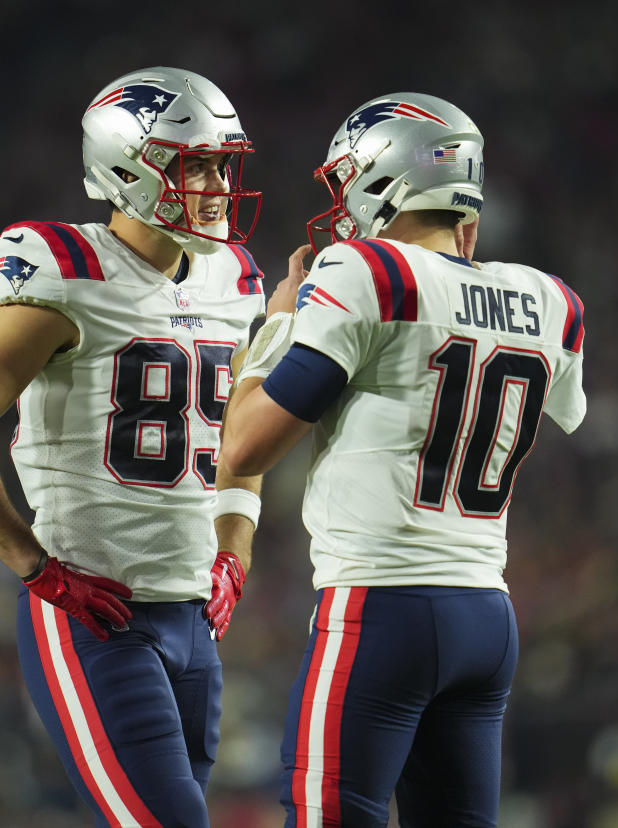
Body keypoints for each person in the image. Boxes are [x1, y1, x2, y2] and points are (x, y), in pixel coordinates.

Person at [218, 93, 588, 827]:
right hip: (487, 614)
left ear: (379, 180)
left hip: (382, 607)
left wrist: (280, 321)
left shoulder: (367, 271)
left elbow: (243, 445)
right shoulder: (554, 301)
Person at [0, 66, 269, 827]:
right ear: (127, 168)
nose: (214, 183)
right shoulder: (68, 273)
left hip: (192, 619)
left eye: (218, 163)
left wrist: (235, 545)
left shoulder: (233, 278)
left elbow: (240, 438)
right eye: (193, 164)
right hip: (96, 615)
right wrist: (34, 568)